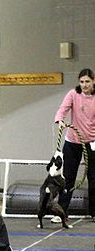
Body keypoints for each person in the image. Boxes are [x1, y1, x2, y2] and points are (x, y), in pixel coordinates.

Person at [52, 68, 95, 223]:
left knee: (93, 177)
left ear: (93, 82)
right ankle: (61, 212)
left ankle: (94, 213)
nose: (84, 85)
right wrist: (60, 120)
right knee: (68, 178)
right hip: (72, 142)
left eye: (87, 81)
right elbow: (62, 109)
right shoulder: (73, 94)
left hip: (91, 143)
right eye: (82, 82)